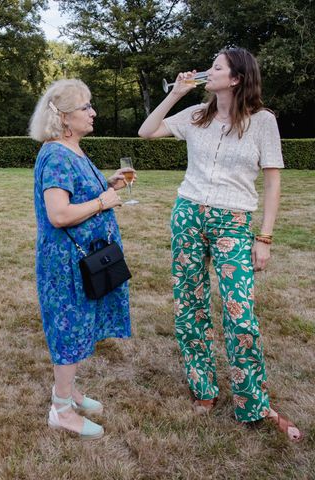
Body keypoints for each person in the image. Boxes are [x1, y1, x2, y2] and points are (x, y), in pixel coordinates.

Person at [138, 47, 302, 442]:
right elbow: (147, 131)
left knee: (239, 314)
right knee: (189, 305)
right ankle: (203, 388)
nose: (207, 73)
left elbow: (273, 179)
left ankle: (253, 401)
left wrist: (264, 236)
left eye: (216, 68)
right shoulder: (196, 115)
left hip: (234, 220)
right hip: (189, 214)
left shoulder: (263, 122)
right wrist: (175, 93)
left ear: (236, 79)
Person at [30, 79, 133, 440]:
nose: (93, 113)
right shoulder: (57, 154)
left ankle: (71, 393)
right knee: (69, 331)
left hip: (85, 259)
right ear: (64, 118)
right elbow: (59, 214)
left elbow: (78, 193)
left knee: (80, 327)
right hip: (66, 265)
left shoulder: (73, 150)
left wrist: (109, 185)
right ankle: (60, 409)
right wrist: (105, 202)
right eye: (86, 107)